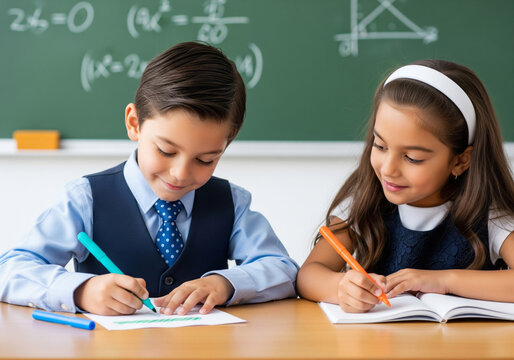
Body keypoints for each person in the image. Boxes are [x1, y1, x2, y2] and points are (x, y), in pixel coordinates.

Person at [0, 42, 298, 316]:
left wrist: (224, 284)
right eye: (166, 150)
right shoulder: (86, 199)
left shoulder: (231, 202)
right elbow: (10, 270)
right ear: (134, 124)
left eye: (205, 160)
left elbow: (284, 270)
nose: (180, 173)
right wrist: (80, 291)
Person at [297, 59, 514, 313]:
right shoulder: (365, 199)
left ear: (460, 161)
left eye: (412, 158)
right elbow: (307, 276)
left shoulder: (488, 210)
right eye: (380, 146)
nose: (389, 169)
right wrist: (341, 287)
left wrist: (443, 280)